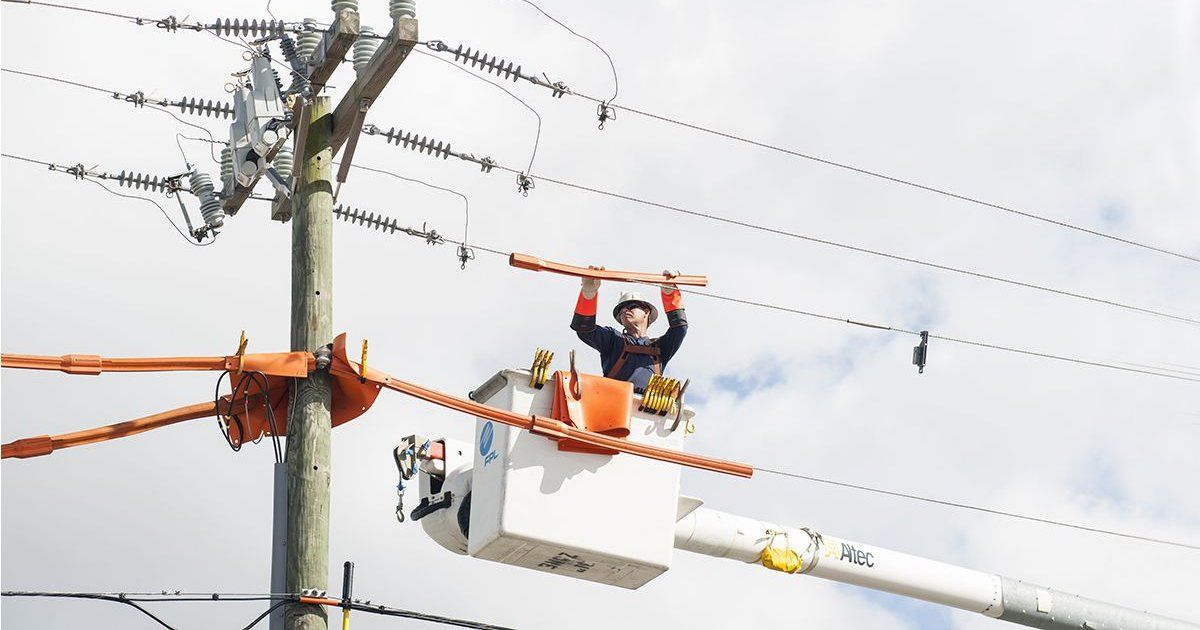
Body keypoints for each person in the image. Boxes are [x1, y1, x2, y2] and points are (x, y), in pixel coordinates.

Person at [570, 271, 688, 392]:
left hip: (645, 409)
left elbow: (680, 328)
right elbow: (583, 329)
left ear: (646, 312)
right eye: (621, 310)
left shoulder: (660, 348)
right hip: (615, 405)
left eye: (631, 306)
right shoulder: (613, 339)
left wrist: (670, 293)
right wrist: (588, 294)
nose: (625, 310)